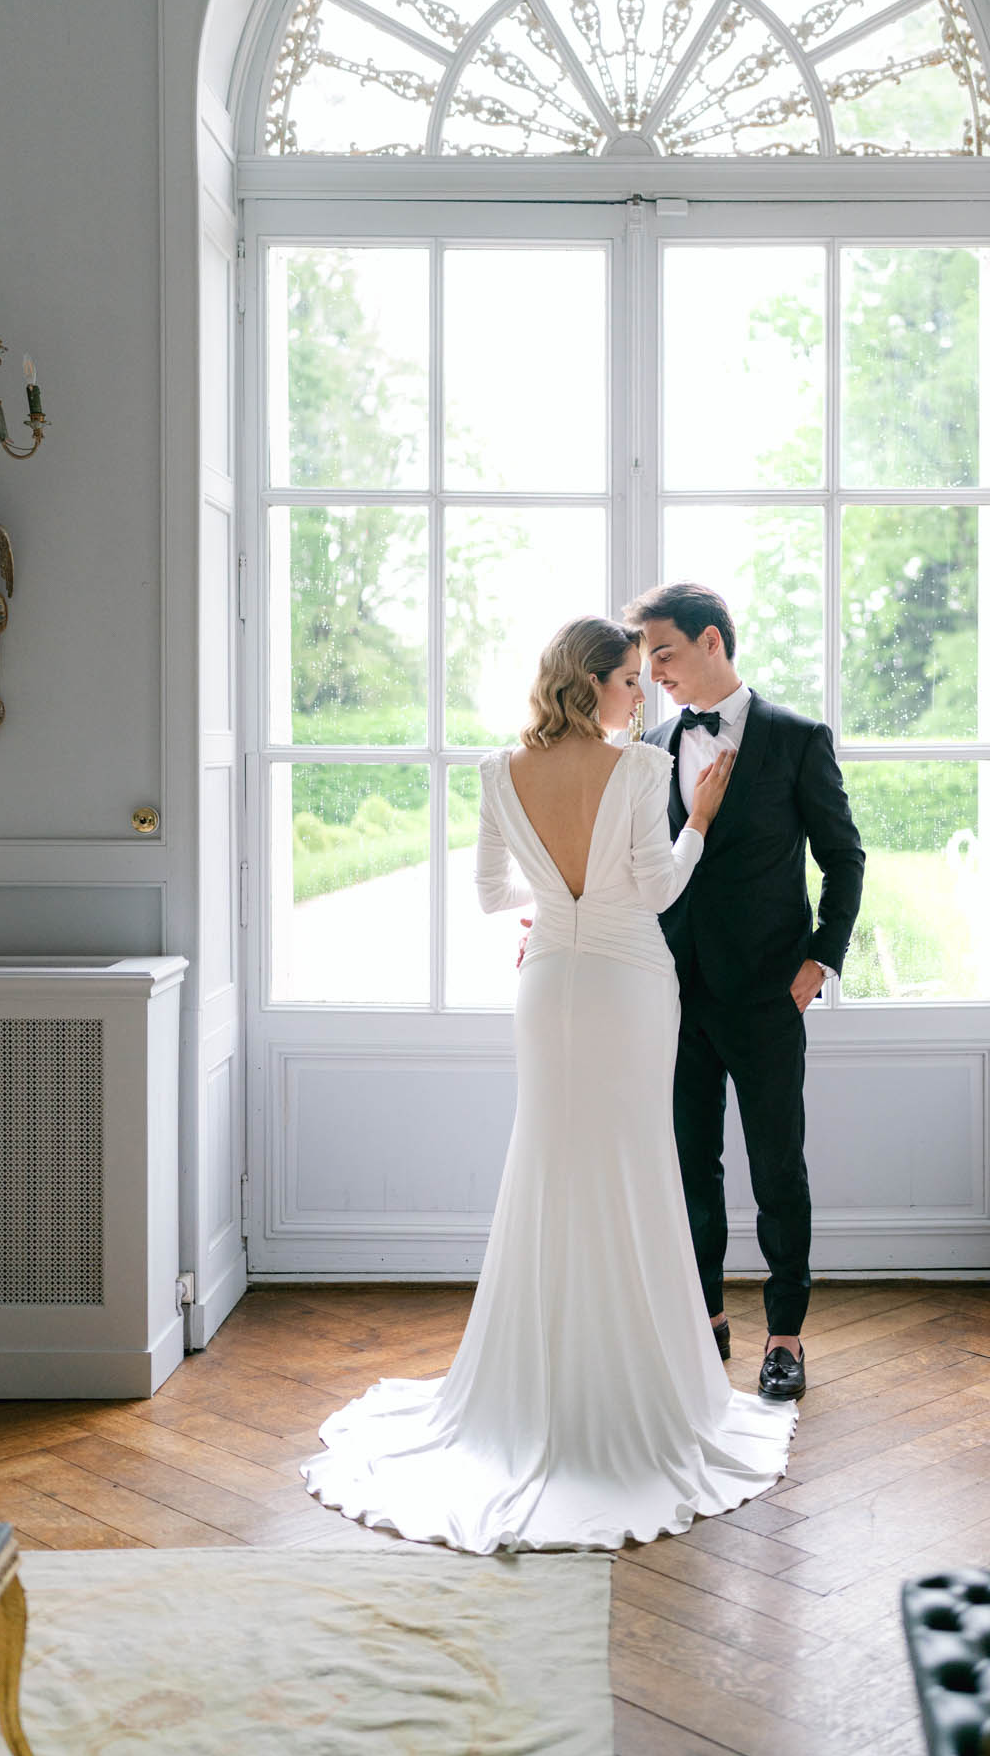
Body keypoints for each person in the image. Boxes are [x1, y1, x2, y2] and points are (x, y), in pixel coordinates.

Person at [301, 616, 798, 1551]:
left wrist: (559, 903)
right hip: (629, 984)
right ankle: (634, 1385)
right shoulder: (644, 771)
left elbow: (495, 896)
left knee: (549, 1165)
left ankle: (535, 1389)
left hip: (551, 984)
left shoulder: (500, 773)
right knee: (636, 1166)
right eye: (625, 683)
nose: (639, 697)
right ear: (591, 683)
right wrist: (698, 820)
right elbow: (656, 892)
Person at [623, 583, 865, 1405]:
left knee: (776, 1169)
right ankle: (705, 1320)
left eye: (664, 654)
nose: (654, 675)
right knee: (690, 1165)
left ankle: (786, 1337)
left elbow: (845, 857)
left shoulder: (798, 740)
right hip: (674, 995)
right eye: (646, 660)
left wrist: (819, 962)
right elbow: (645, 870)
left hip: (768, 995)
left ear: (712, 641)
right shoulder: (651, 745)